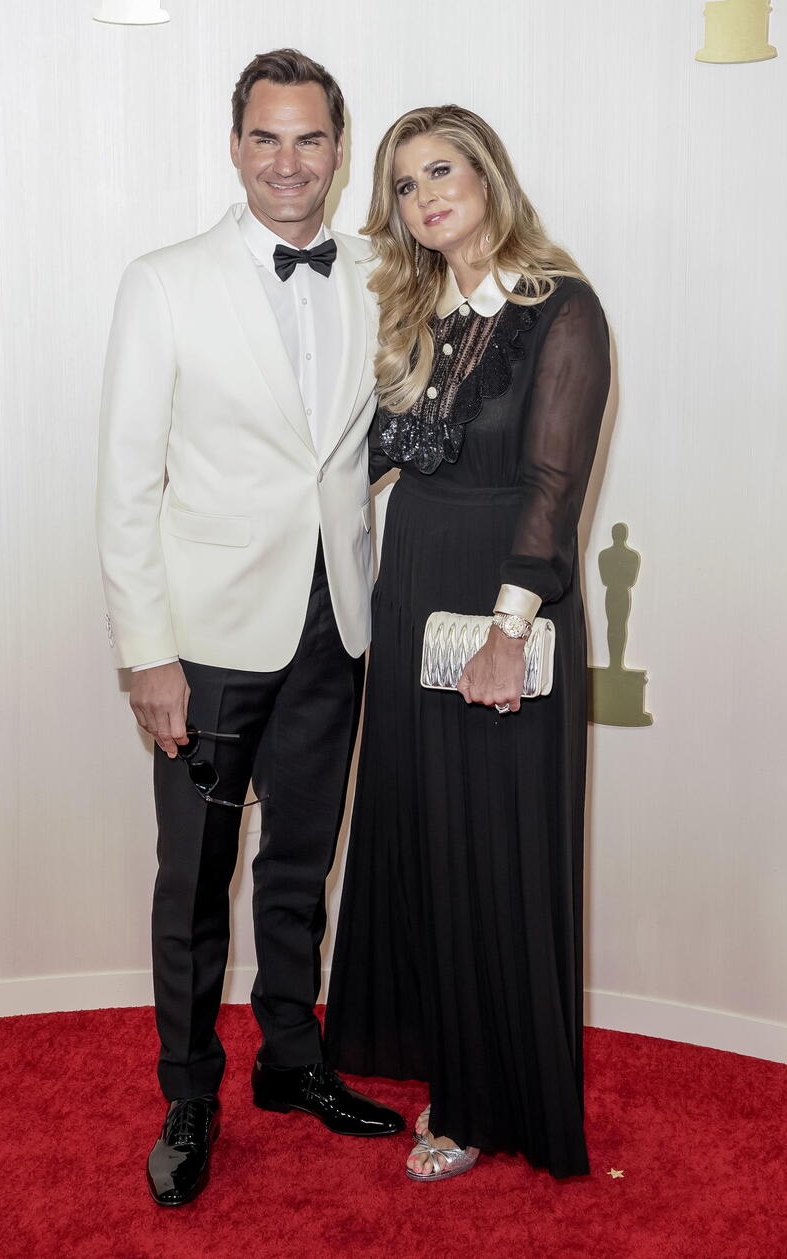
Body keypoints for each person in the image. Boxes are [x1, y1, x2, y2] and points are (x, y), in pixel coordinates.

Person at [96, 48, 404, 1208]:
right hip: (207, 639)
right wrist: (147, 653)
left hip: (338, 620)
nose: (289, 162)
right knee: (194, 879)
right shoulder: (165, 280)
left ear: (338, 145)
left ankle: (291, 1057)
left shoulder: (381, 268)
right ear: (235, 147)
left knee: (299, 860)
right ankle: (189, 1095)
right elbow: (127, 481)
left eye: (311, 139)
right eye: (266, 138)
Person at [324, 105, 611, 1182]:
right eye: (404, 184)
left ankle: (488, 1102)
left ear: (488, 175)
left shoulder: (560, 308)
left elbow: (552, 486)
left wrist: (508, 631)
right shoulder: (416, 311)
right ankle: (447, 1053)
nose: (425, 195)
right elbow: (366, 463)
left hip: (499, 602)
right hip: (413, 595)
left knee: (494, 848)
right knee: (429, 835)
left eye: (442, 169)